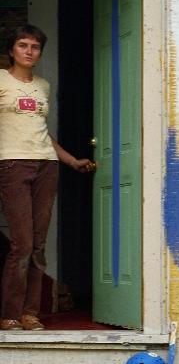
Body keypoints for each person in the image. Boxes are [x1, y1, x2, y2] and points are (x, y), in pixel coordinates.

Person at [0, 25, 94, 331]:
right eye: (23, 45)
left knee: (38, 244)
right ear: (11, 50)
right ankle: (11, 314)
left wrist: (70, 161)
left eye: (35, 46)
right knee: (22, 243)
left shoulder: (43, 85)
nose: (29, 51)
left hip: (47, 165)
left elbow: (42, 133)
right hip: (12, 165)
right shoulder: (1, 80)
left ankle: (30, 313)